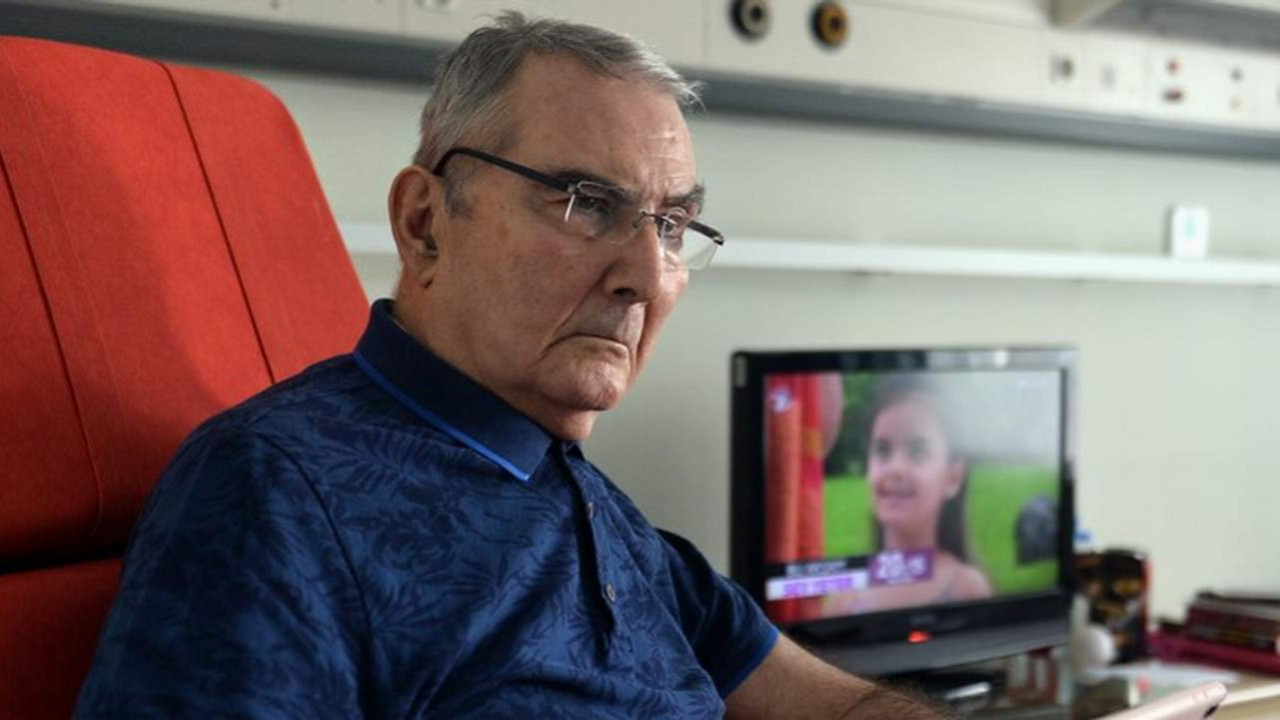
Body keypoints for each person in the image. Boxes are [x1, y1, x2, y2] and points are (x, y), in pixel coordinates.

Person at [74, 13, 947, 719]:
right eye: (587, 203)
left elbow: (836, 706)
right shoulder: (273, 490)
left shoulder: (602, 515)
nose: (647, 277)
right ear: (425, 224)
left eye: (673, 226)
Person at [826, 378, 993, 617]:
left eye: (917, 451)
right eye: (883, 450)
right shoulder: (843, 602)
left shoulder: (967, 588)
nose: (895, 468)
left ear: (953, 477)